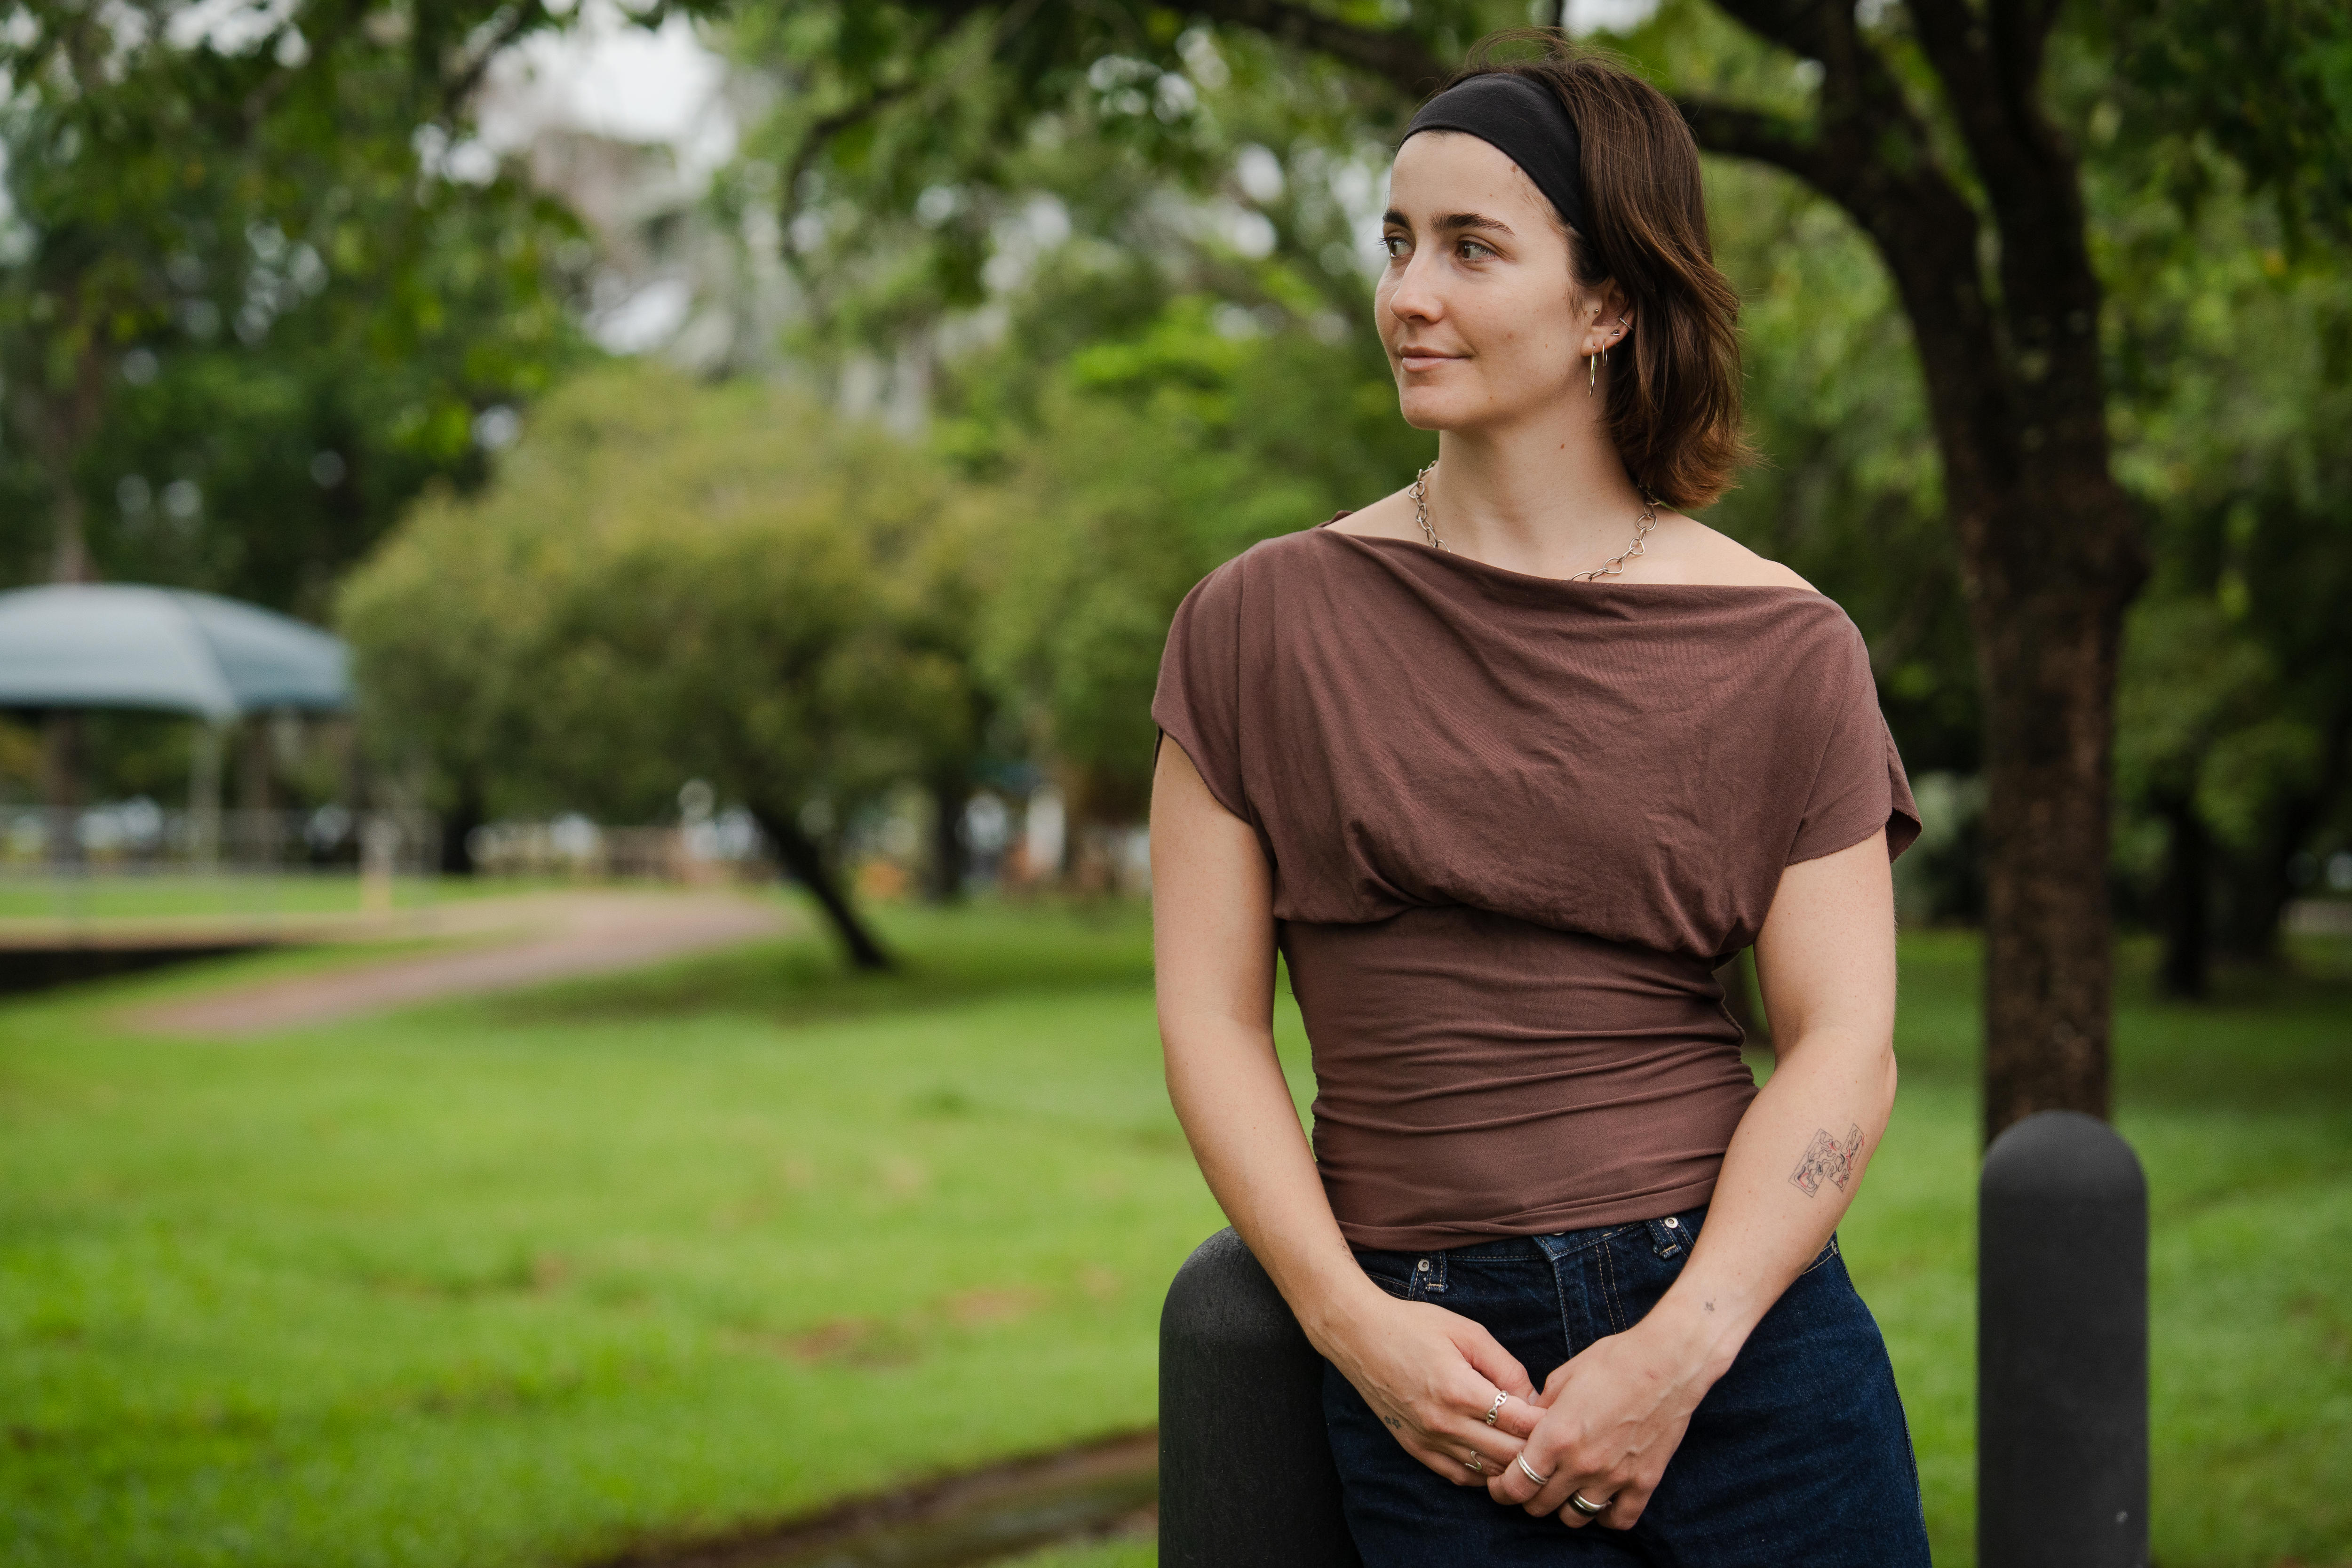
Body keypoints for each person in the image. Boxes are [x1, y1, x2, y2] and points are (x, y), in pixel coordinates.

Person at [1146, 32, 1934, 1567]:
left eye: (1470, 248)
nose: (1407, 295)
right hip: (1436, 1373)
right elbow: (1211, 1024)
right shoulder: (1254, 626)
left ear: (1607, 305)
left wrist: (1682, 1349)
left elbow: (1846, 1044)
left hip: (1745, 1355)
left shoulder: (1785, 645)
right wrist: (1354, 1326)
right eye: (1396, 243)